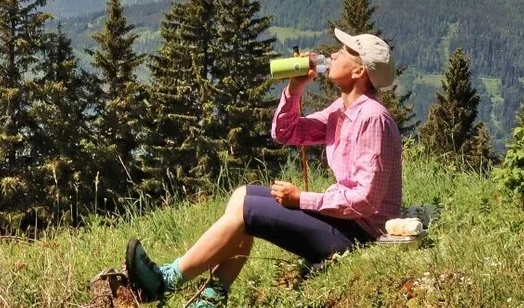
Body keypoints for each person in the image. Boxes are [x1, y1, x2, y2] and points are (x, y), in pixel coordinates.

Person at [123, 29, 404, 307]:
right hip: (342, 222)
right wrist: (295, 89)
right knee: (241, 195)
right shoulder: (341, 111)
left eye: (343, 52)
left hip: (358, 234)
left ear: (359, 72)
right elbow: (286, 133)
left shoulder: (371, 118)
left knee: (248, 212)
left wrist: (301, 199)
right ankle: (210, 299)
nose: (333, 54)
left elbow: (366, 200)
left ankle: (164, 281)